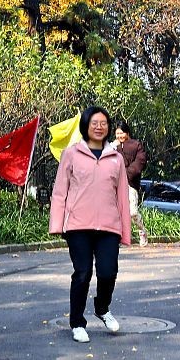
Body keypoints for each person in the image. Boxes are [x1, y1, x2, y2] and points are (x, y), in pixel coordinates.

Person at [49, 105, 131, 343]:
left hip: (108, 226)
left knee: (108, 272)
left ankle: (102, 307)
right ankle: (77, 323)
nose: (99, 127)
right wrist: (57, 224)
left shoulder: (116, 159)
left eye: (103, 123)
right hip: (78, 225)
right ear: (86, 125)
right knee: (82, 273)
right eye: (94, 123)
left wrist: (125, 232)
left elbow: (122, 198)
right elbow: (60, 190)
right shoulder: (72, 153)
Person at [114, 119, 149, 247]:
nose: (120, 136)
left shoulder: (136, 145)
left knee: (133, 212)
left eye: (122, 133)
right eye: (117, 133)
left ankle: (142, 231)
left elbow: (140, 162)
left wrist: (126, 174)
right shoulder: (112, 147)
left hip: (130, 183)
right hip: (115, 185)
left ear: (127, 132)